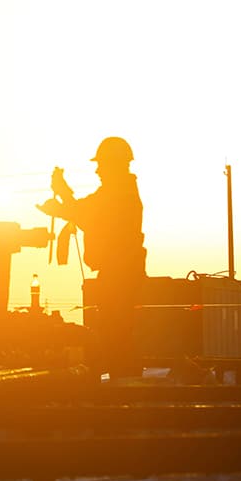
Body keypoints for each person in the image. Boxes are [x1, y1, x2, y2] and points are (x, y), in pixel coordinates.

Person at [37, 136, 147, 379]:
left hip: (120, 276)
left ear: (114, 165)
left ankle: (124, 390)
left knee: (116, 335)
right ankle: (124, 385)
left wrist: (62, 199)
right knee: (115, 335)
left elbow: (86, 212)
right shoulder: (118, 192)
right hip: (120, 274)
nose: (97, 170)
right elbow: (86, 211)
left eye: (102, 165)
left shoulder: (120, 195)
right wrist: (64, 196)